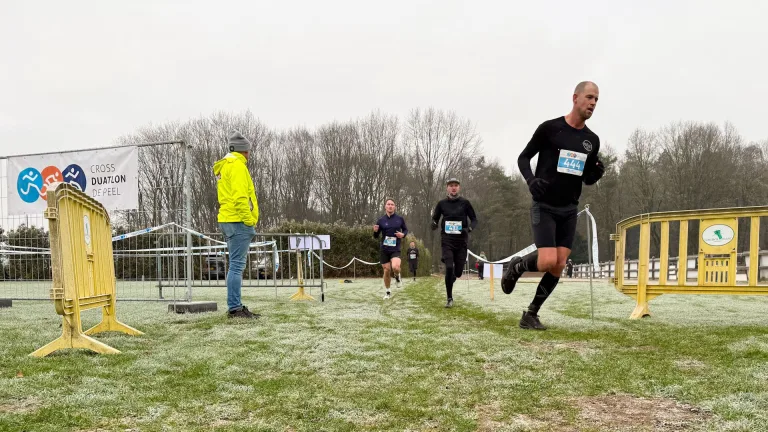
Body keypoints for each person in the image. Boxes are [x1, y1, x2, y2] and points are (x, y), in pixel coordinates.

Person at [501, 81, 605, 330]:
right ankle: (516, 266)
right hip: (544, 205)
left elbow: (586, 177)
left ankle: (531, 314)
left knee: (559, 264)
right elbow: (523, 157)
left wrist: (597, 173)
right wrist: (530, 180)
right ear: (575, 98)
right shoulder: (550, 129)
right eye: (589, 97)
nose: (593, 103)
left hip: (569, 209)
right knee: (548, 260)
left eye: (597, 100)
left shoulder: (591, 140)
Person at [213, 131, 261, 319]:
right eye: (248, 151)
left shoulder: (224, 166)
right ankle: (235, 308)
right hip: (237, 220)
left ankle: (236, 306)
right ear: (243, 151)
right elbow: (241, 196)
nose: (249, 154)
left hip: (227, 218)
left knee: (235, 264)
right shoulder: (238, 166)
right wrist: (248, 220)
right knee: (237, 266)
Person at [431, 178, 478, 308]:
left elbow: (474, 220)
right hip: (447, 240)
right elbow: (434, 219)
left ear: (459, 188)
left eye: (456, 185)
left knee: (457, 272)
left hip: (461, 241)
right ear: (447, 188)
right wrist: (434, 224)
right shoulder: (441, 204)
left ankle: (451, 279)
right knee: (449, 268)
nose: (453, 188)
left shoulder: (465, 203)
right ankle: (449, 298)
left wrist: (468, 229)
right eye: (451, 185)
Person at [373, 198, 408, 299]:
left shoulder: (399, 219)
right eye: (388, 204)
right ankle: (388, 292)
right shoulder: (381, 220)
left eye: (392, 204)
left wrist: (403, 234)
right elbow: (376, 236)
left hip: (395, 248)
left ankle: (397, 276)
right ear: (385, 206)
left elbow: (406, 230)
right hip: (384, 249)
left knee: (396, 267)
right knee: (387, 270)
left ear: (395, 207)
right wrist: (375, 231)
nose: (390, 206)